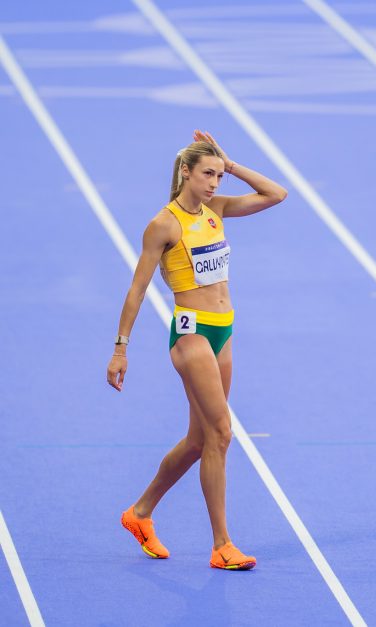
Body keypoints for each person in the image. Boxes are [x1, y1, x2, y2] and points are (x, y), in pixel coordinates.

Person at [107, 130, 287, 570]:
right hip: (192, 335)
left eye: (219, 176)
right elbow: (137, 288)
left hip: (223, 330)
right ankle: (222, 545)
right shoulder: (164, 225)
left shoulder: (216, 210)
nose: (214, 183)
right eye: (208, 174)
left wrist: (231, 161)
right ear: (184, 171)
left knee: (197, 440)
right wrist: (120, 348)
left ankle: (140, 512)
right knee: (221, 433)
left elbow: (276, 193)